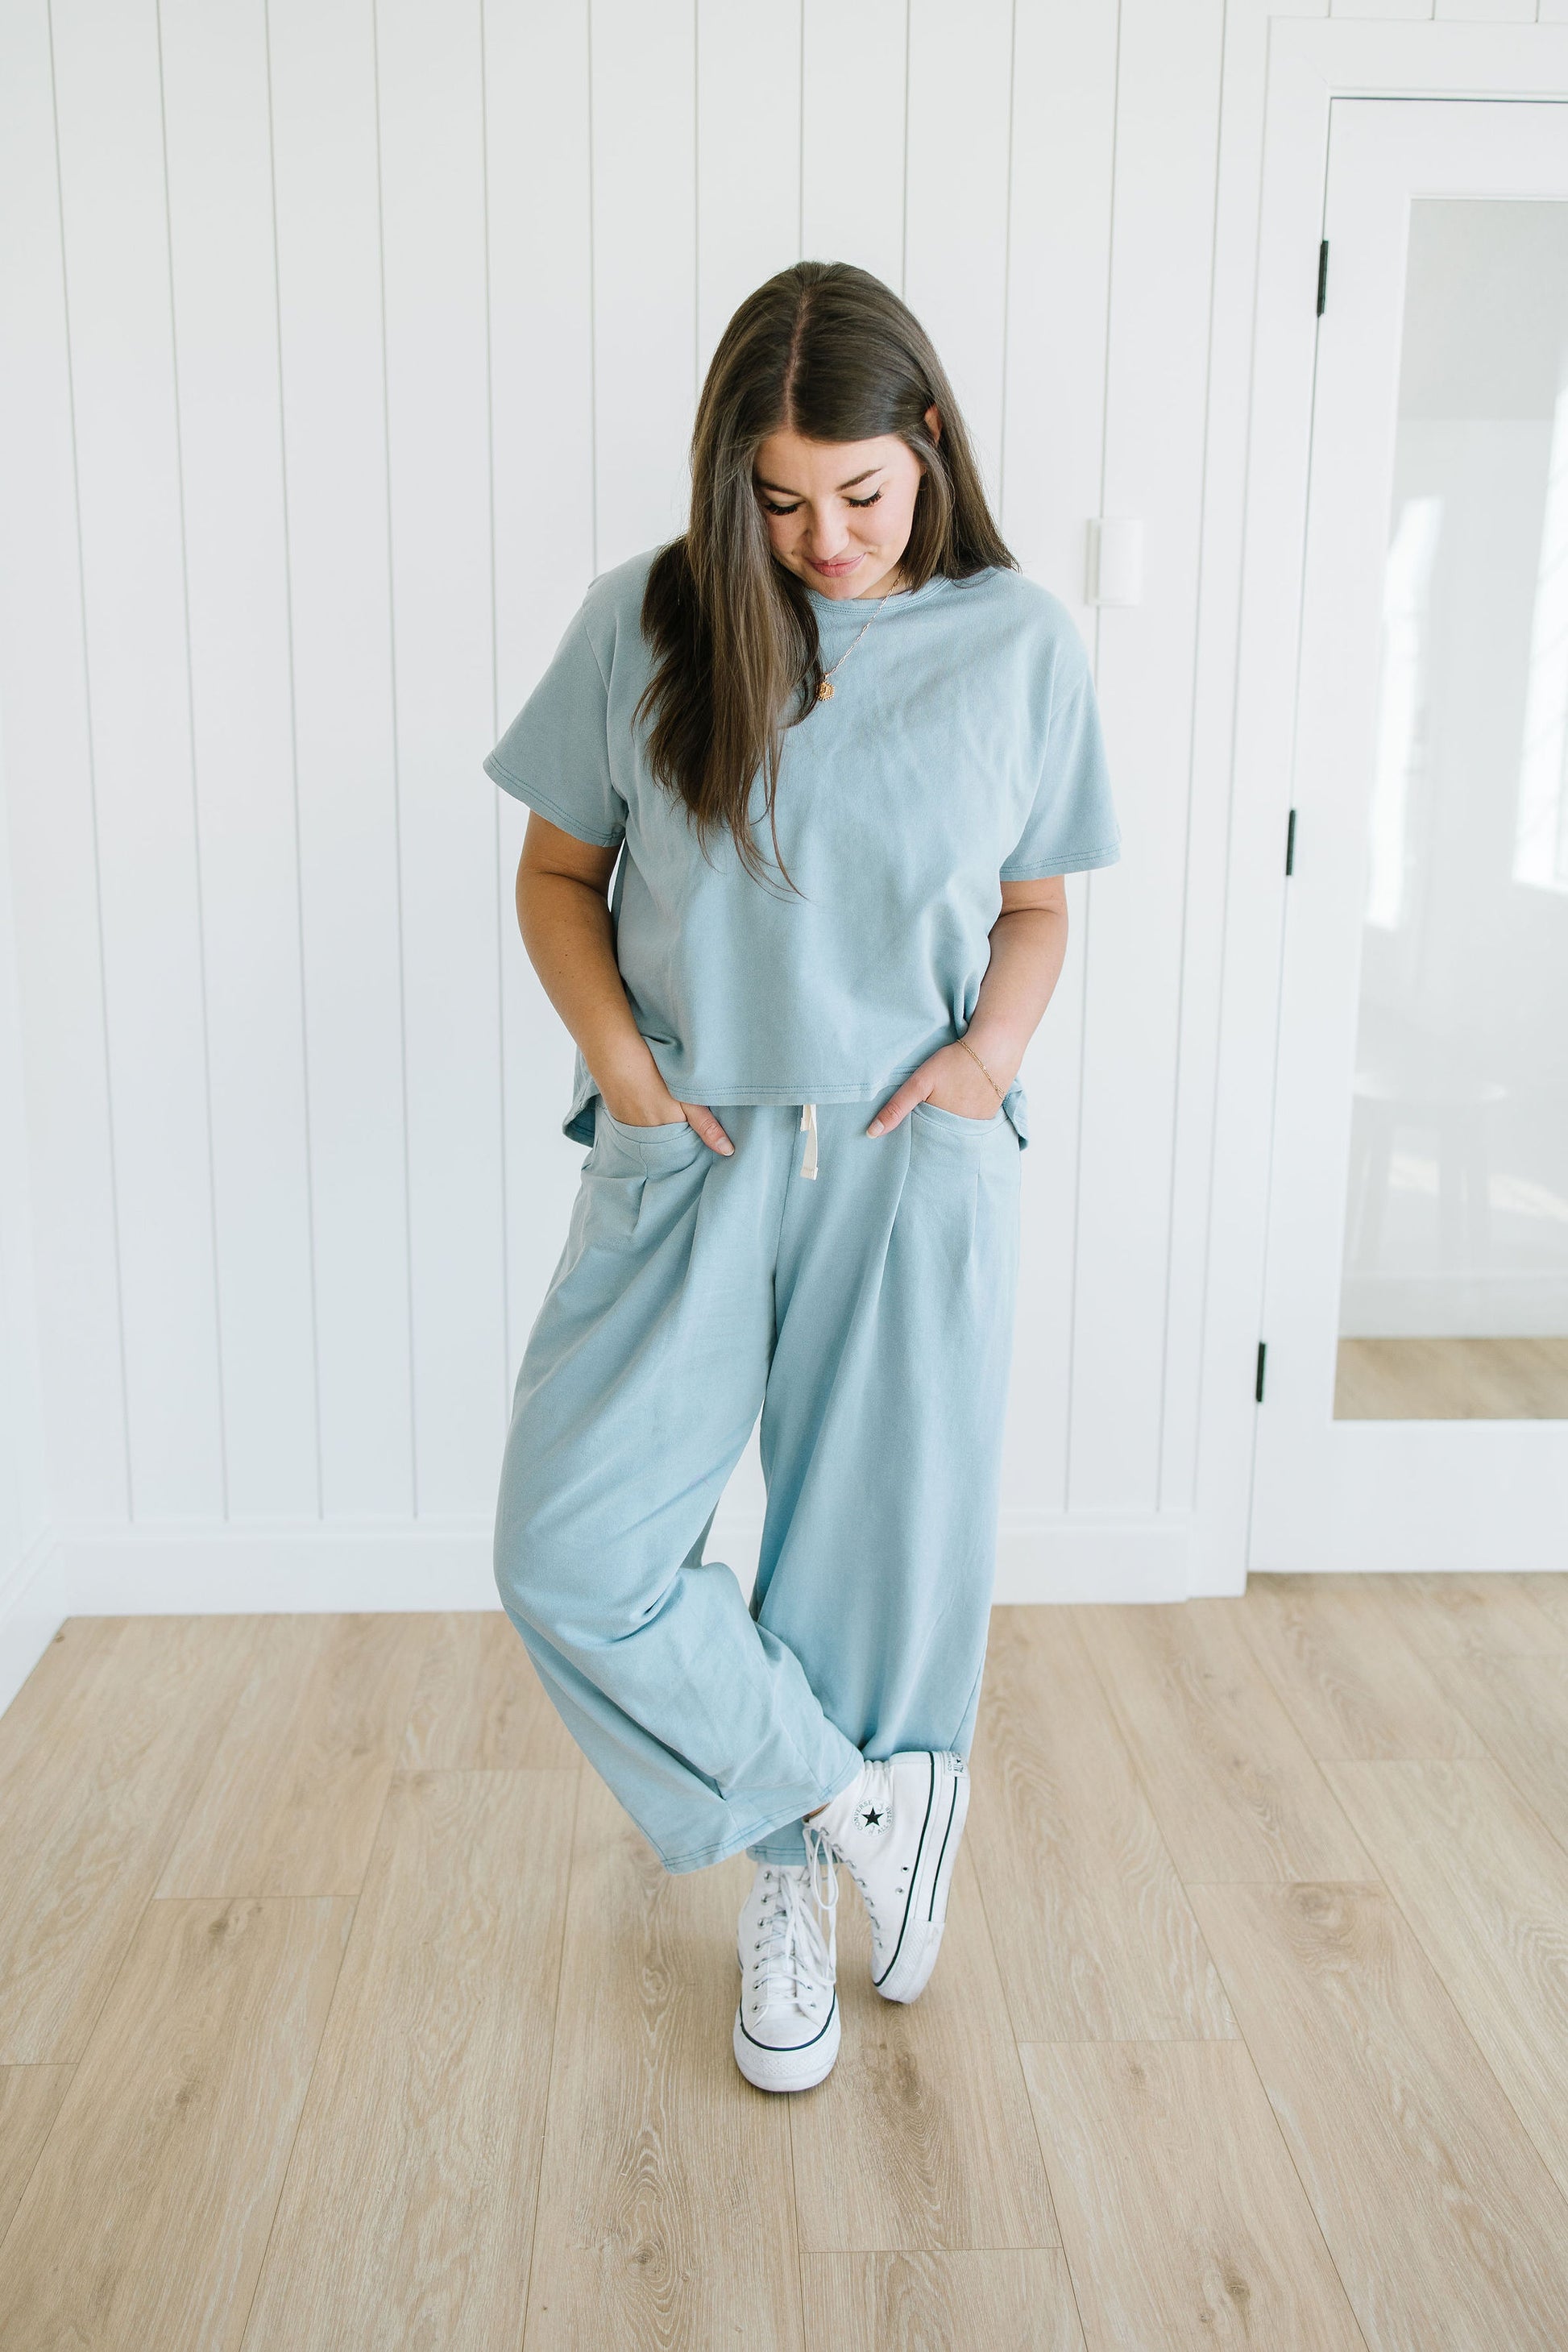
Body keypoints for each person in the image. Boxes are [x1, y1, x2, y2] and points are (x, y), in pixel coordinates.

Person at [483, 260, 1119, 2094]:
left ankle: (788, 1893)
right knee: (570, 1543)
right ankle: (852, 1807)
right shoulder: (653, 620)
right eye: (777, 499)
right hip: (684, 1143)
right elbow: (553, 876)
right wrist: (621, 1064)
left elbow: (1033, 907)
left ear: (926, 442)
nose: (820, 537)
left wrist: (986, 1062)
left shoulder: (1020, 642)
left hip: (906, 1157)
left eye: (856, 491)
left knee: (857, 1561)